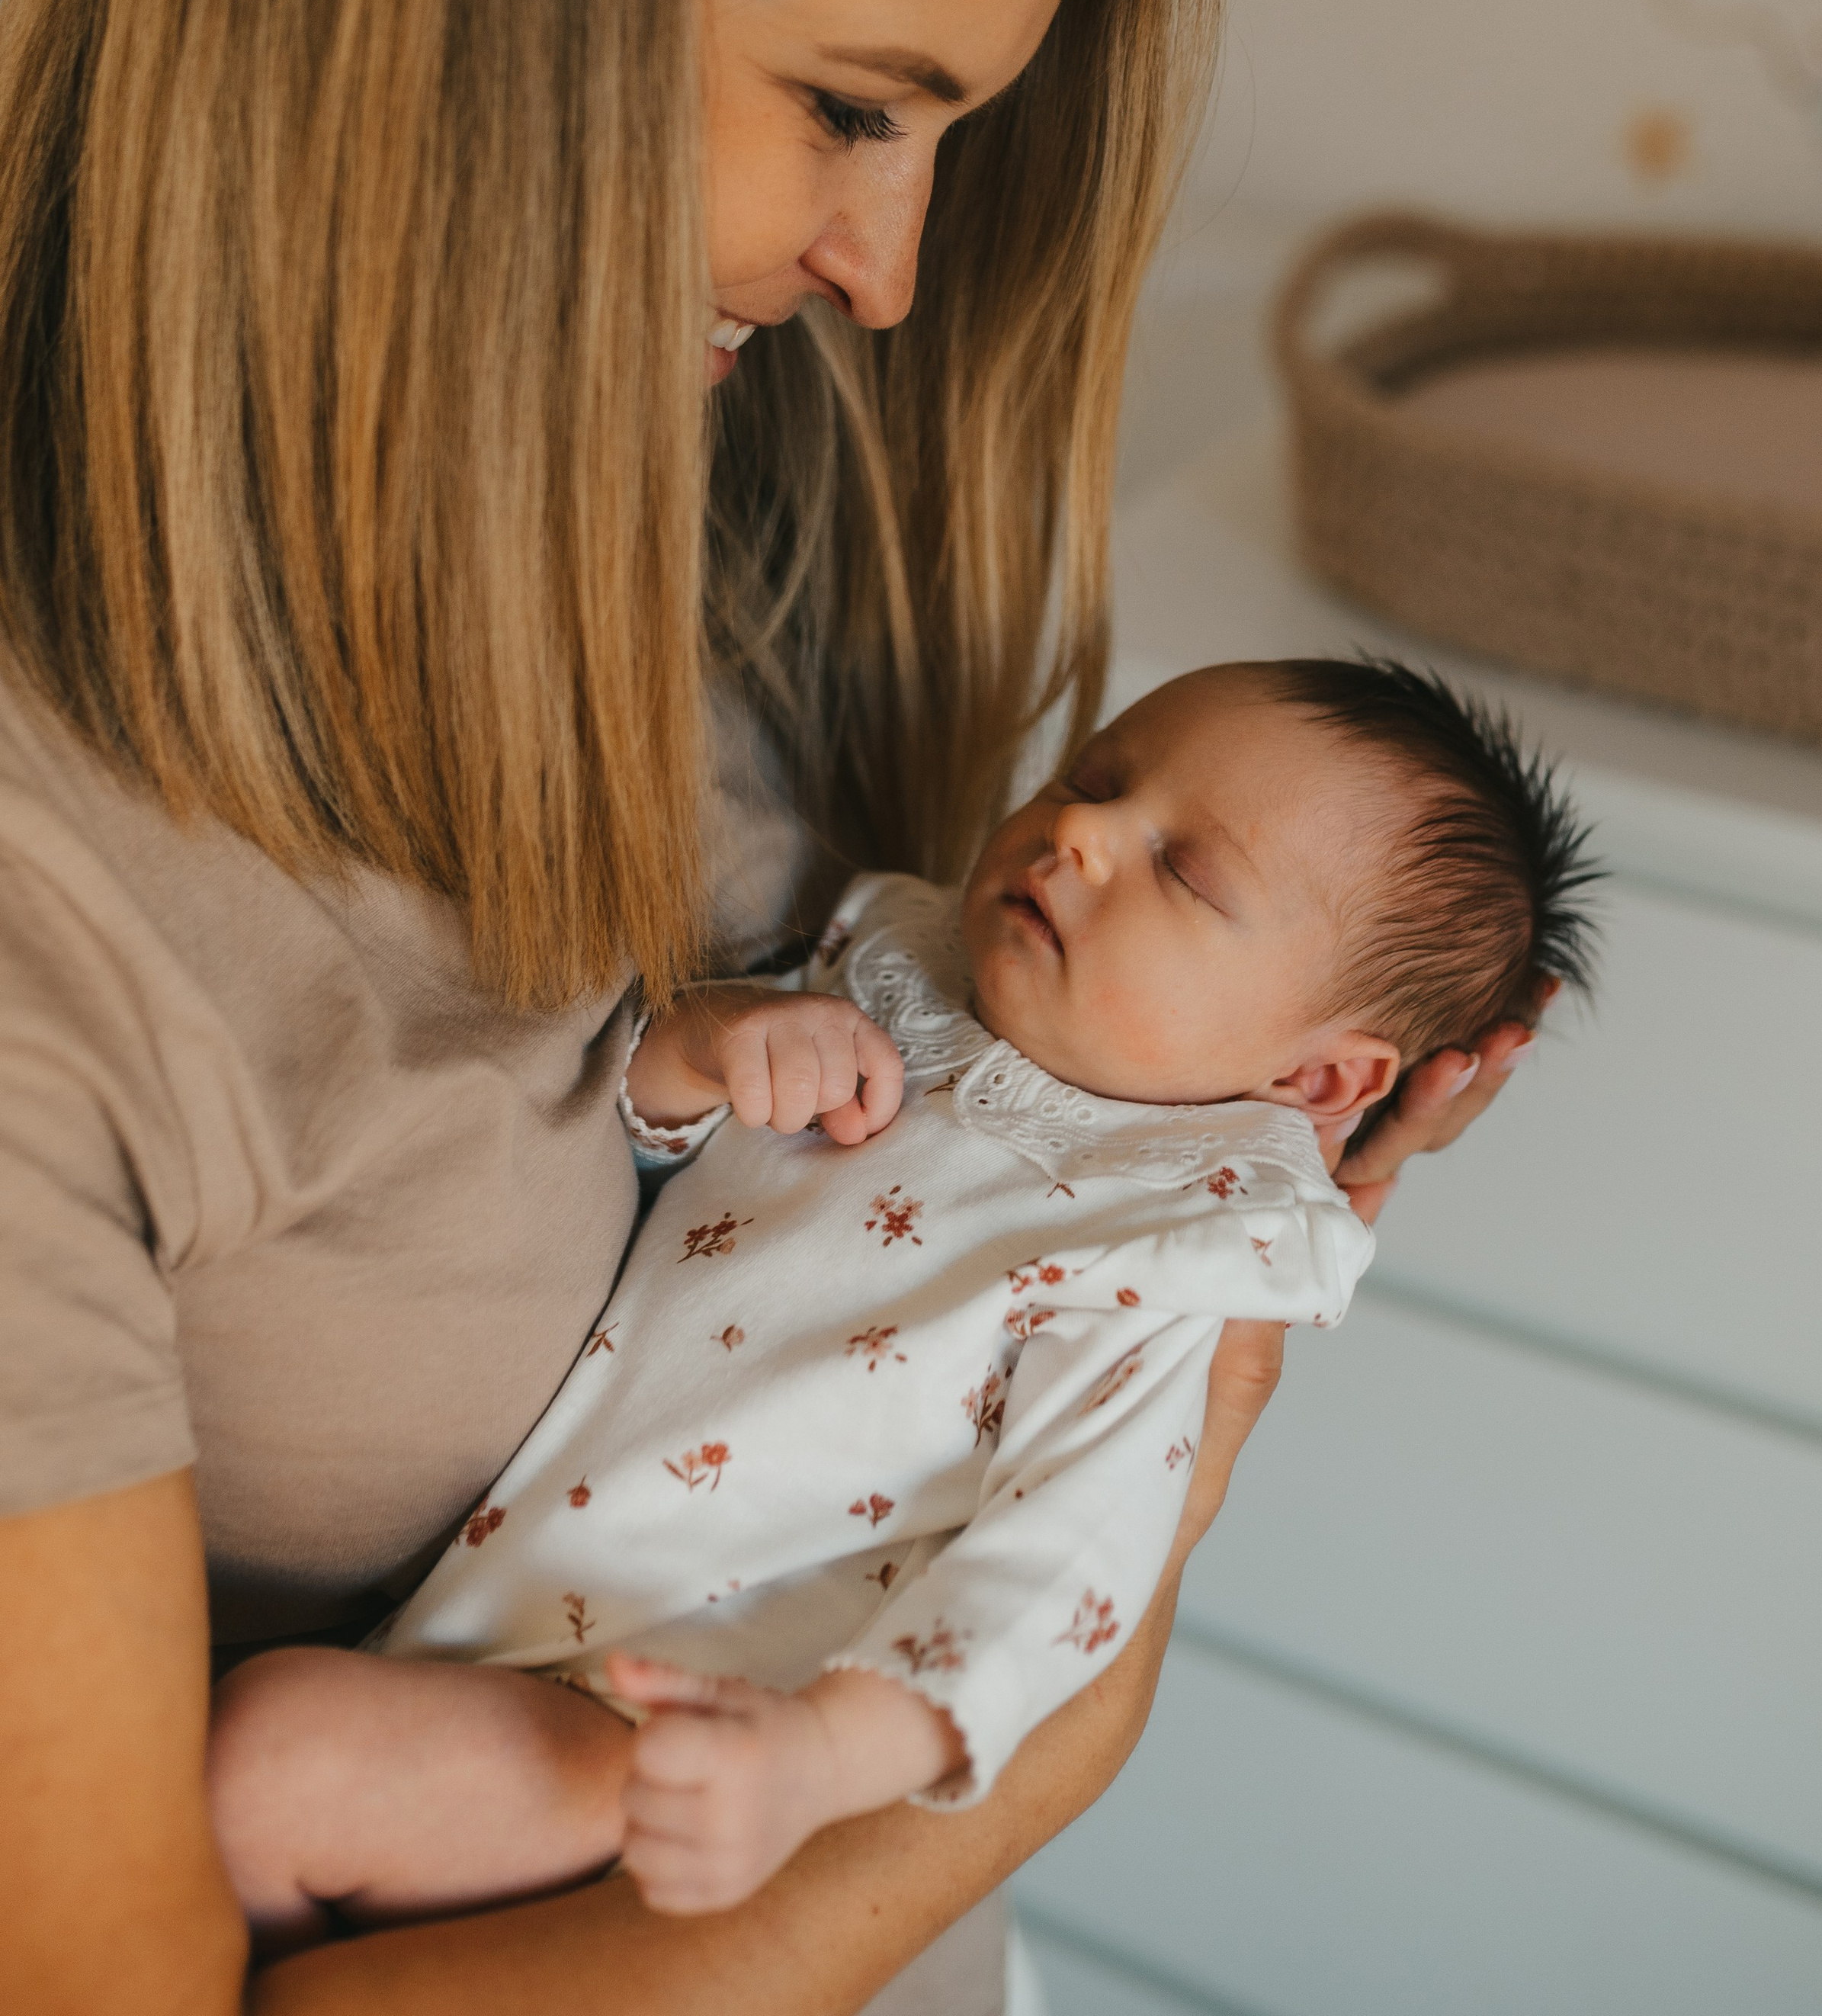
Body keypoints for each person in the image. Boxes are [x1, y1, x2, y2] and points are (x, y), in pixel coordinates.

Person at [0, 0, 1535, 2016]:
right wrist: (1023, 1743)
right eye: (853, 101)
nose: (889, 265)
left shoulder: (754, 491)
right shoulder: (56, 895)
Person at [203, 656, 1595, 1950]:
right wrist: (697, 1056)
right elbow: (602, 1178)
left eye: (1183, 870)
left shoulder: (1170, 1248)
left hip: (665, 1720)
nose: (1081, 838)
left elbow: (1070, 1567)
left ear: (1321, 1084)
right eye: (1095, 780)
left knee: (270, 1764)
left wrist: (816, 1763)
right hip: (464, 1615)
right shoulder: (894, 972)